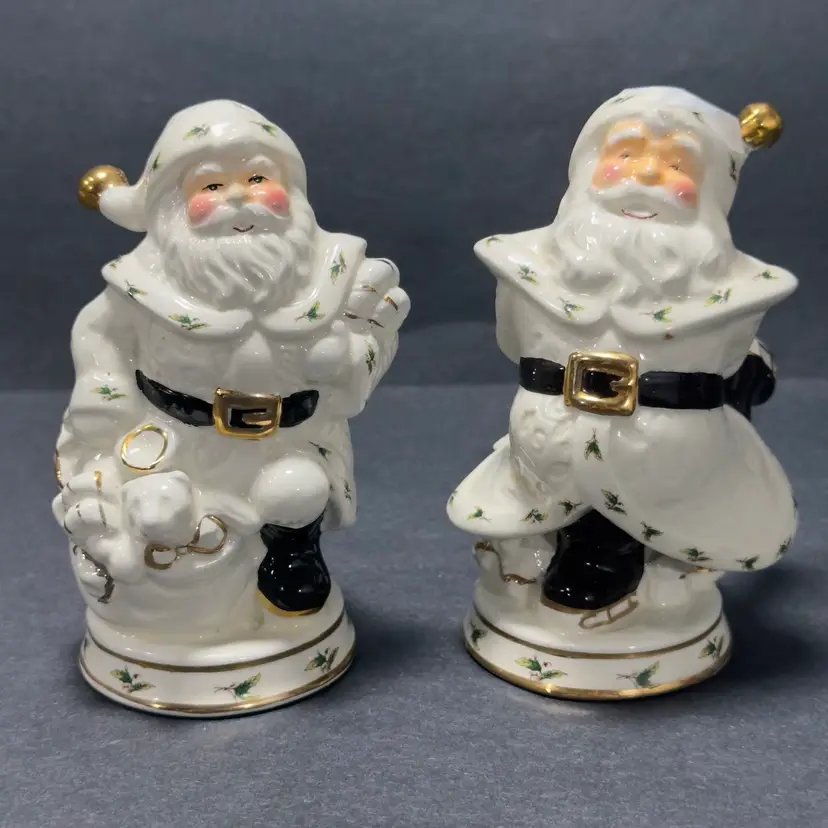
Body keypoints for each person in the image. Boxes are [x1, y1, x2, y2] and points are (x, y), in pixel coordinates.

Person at [55, 100, 409, 633]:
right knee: (160, 515)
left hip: (289, 439)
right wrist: (102, 387)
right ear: (173, 203)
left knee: (296, 491)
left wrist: (355, 355)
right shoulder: (142, 282)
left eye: (258, 177)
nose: (239, 195)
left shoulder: (335, 270)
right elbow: (98, 332)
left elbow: (366, 357)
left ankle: (292, 552)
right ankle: (173, 619)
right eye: (212, 185)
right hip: (178, 439)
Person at [447, 87, 796, 618]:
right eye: (626, 154)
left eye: (676, 164)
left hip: (664, 445)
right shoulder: (525, 267)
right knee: (534, 488)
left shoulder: (737, 291)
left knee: (658, 482)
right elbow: (516, 342)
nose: (647, 174)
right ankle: (545, 541)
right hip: (548, 431)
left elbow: (725, 360)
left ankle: (615, 553)